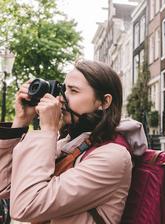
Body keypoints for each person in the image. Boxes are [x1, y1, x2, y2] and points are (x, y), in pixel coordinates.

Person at [0, 60, 147, 224]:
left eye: (74, 91)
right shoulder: (68, 144)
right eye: (64, 89)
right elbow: (4, 187)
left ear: (104, 102)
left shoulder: (112, 157)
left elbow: (25, 206)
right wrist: (21, 121)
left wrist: (48, 129)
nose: (61, 99)